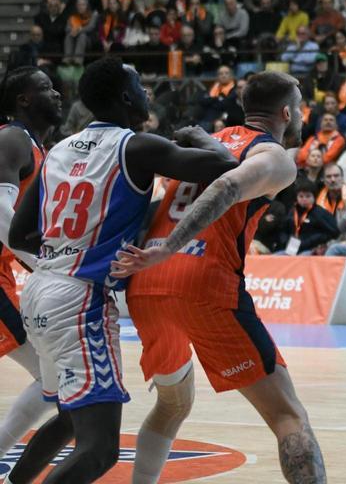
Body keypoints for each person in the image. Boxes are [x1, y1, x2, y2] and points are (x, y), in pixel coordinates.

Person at [6, 58, 239, 484]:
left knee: (68, 418)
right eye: (139, 84)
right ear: (126, 97)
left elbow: (20, 234)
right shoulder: (138, 147)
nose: (147, 92)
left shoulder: (59, 150)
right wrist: (201, 137)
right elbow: (227, 167)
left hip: (39, 291)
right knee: (100, 450)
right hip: (78, 301)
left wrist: (69, 247)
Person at [108, 70, 327, 484]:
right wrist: (173, 245)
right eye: (300, 108)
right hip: (203, 281)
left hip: (146, 286)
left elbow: (153, 200)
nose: (302, 115)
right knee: (288, 415)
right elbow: (228, 186)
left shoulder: (206, 141)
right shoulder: (275, 156)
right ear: (286, 113)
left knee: (173, 405)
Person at [0, 68, 63, 461]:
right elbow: (0, 214)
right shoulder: (12, 139)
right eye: (45, 88)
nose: (56, 94)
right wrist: (45, 264)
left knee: (50, 375)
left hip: (4, 272)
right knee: (49, 374)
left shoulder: (38, 148)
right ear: (23, 99)